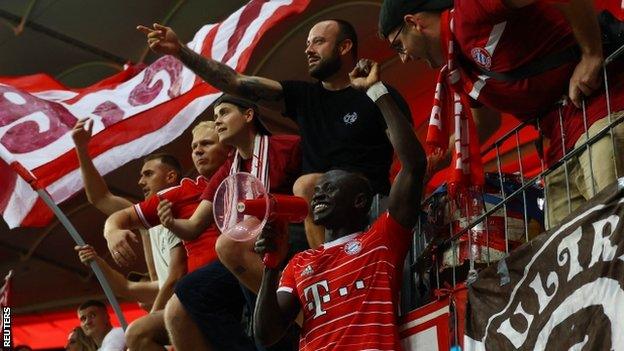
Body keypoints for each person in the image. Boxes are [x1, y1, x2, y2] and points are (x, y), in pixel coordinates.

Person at [137, 19, 411, 249]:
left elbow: (408, 157)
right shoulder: (303, 96)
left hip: (366, 201)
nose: (308, 50)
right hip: (311, 213)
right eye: (307, 44)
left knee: (306, 185)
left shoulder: (377, 94)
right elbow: (236, 83)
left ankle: (327, 268)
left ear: (344, 46)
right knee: (231, 245)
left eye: (318, 42)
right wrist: (181, 52)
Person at [378, 0, 624, 229]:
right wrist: (439, 160)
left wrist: (592, 54)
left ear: (413, 23)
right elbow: (484, 122)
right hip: (560, 143)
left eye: (398, 45)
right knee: (567, 252)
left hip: (602, 103)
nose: (403, 58)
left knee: (614, 227)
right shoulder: (461, 67)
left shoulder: (472, 9)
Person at [254, 58, 426, 350]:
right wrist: (271, 266)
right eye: (318, 190)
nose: (317, 195)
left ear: (359, 201)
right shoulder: (298, 263)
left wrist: (376, 92)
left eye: (330, 189)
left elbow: (414, 166)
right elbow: (265, 336)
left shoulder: (382, 239)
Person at [160, 95, 301, 350]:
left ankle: (299, 319)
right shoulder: (228, 168)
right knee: (189, 292)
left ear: (248, 116)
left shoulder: (287, 146)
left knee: (230, 246)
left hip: (288, 238)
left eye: (224, 113)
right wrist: (170, 222)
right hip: (245, 249)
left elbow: (310, 198)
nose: (218, 122)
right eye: (215, 117)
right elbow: (192, 227)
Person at [102, 121, 230, 350]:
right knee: (139, 334)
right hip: (199, 292)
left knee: (176, 306)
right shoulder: (180, 193)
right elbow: (116, 214)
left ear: (228, 147)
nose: (198, 151)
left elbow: (175, 274)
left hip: (232, 277)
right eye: (194, 147)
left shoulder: (249, 173)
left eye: (207, 143)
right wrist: (112, 232)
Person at [72, 118, 187, 312]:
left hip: (195, 303)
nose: (140, 182)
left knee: (137, 335)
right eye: (141, 175)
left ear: (170, 177)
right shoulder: (145, 219)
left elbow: (175, 279)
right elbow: (100, 198)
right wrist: (81, 149)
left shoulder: (190, 209)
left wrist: (153, 318)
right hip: (175, 305)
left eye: (148, 174)